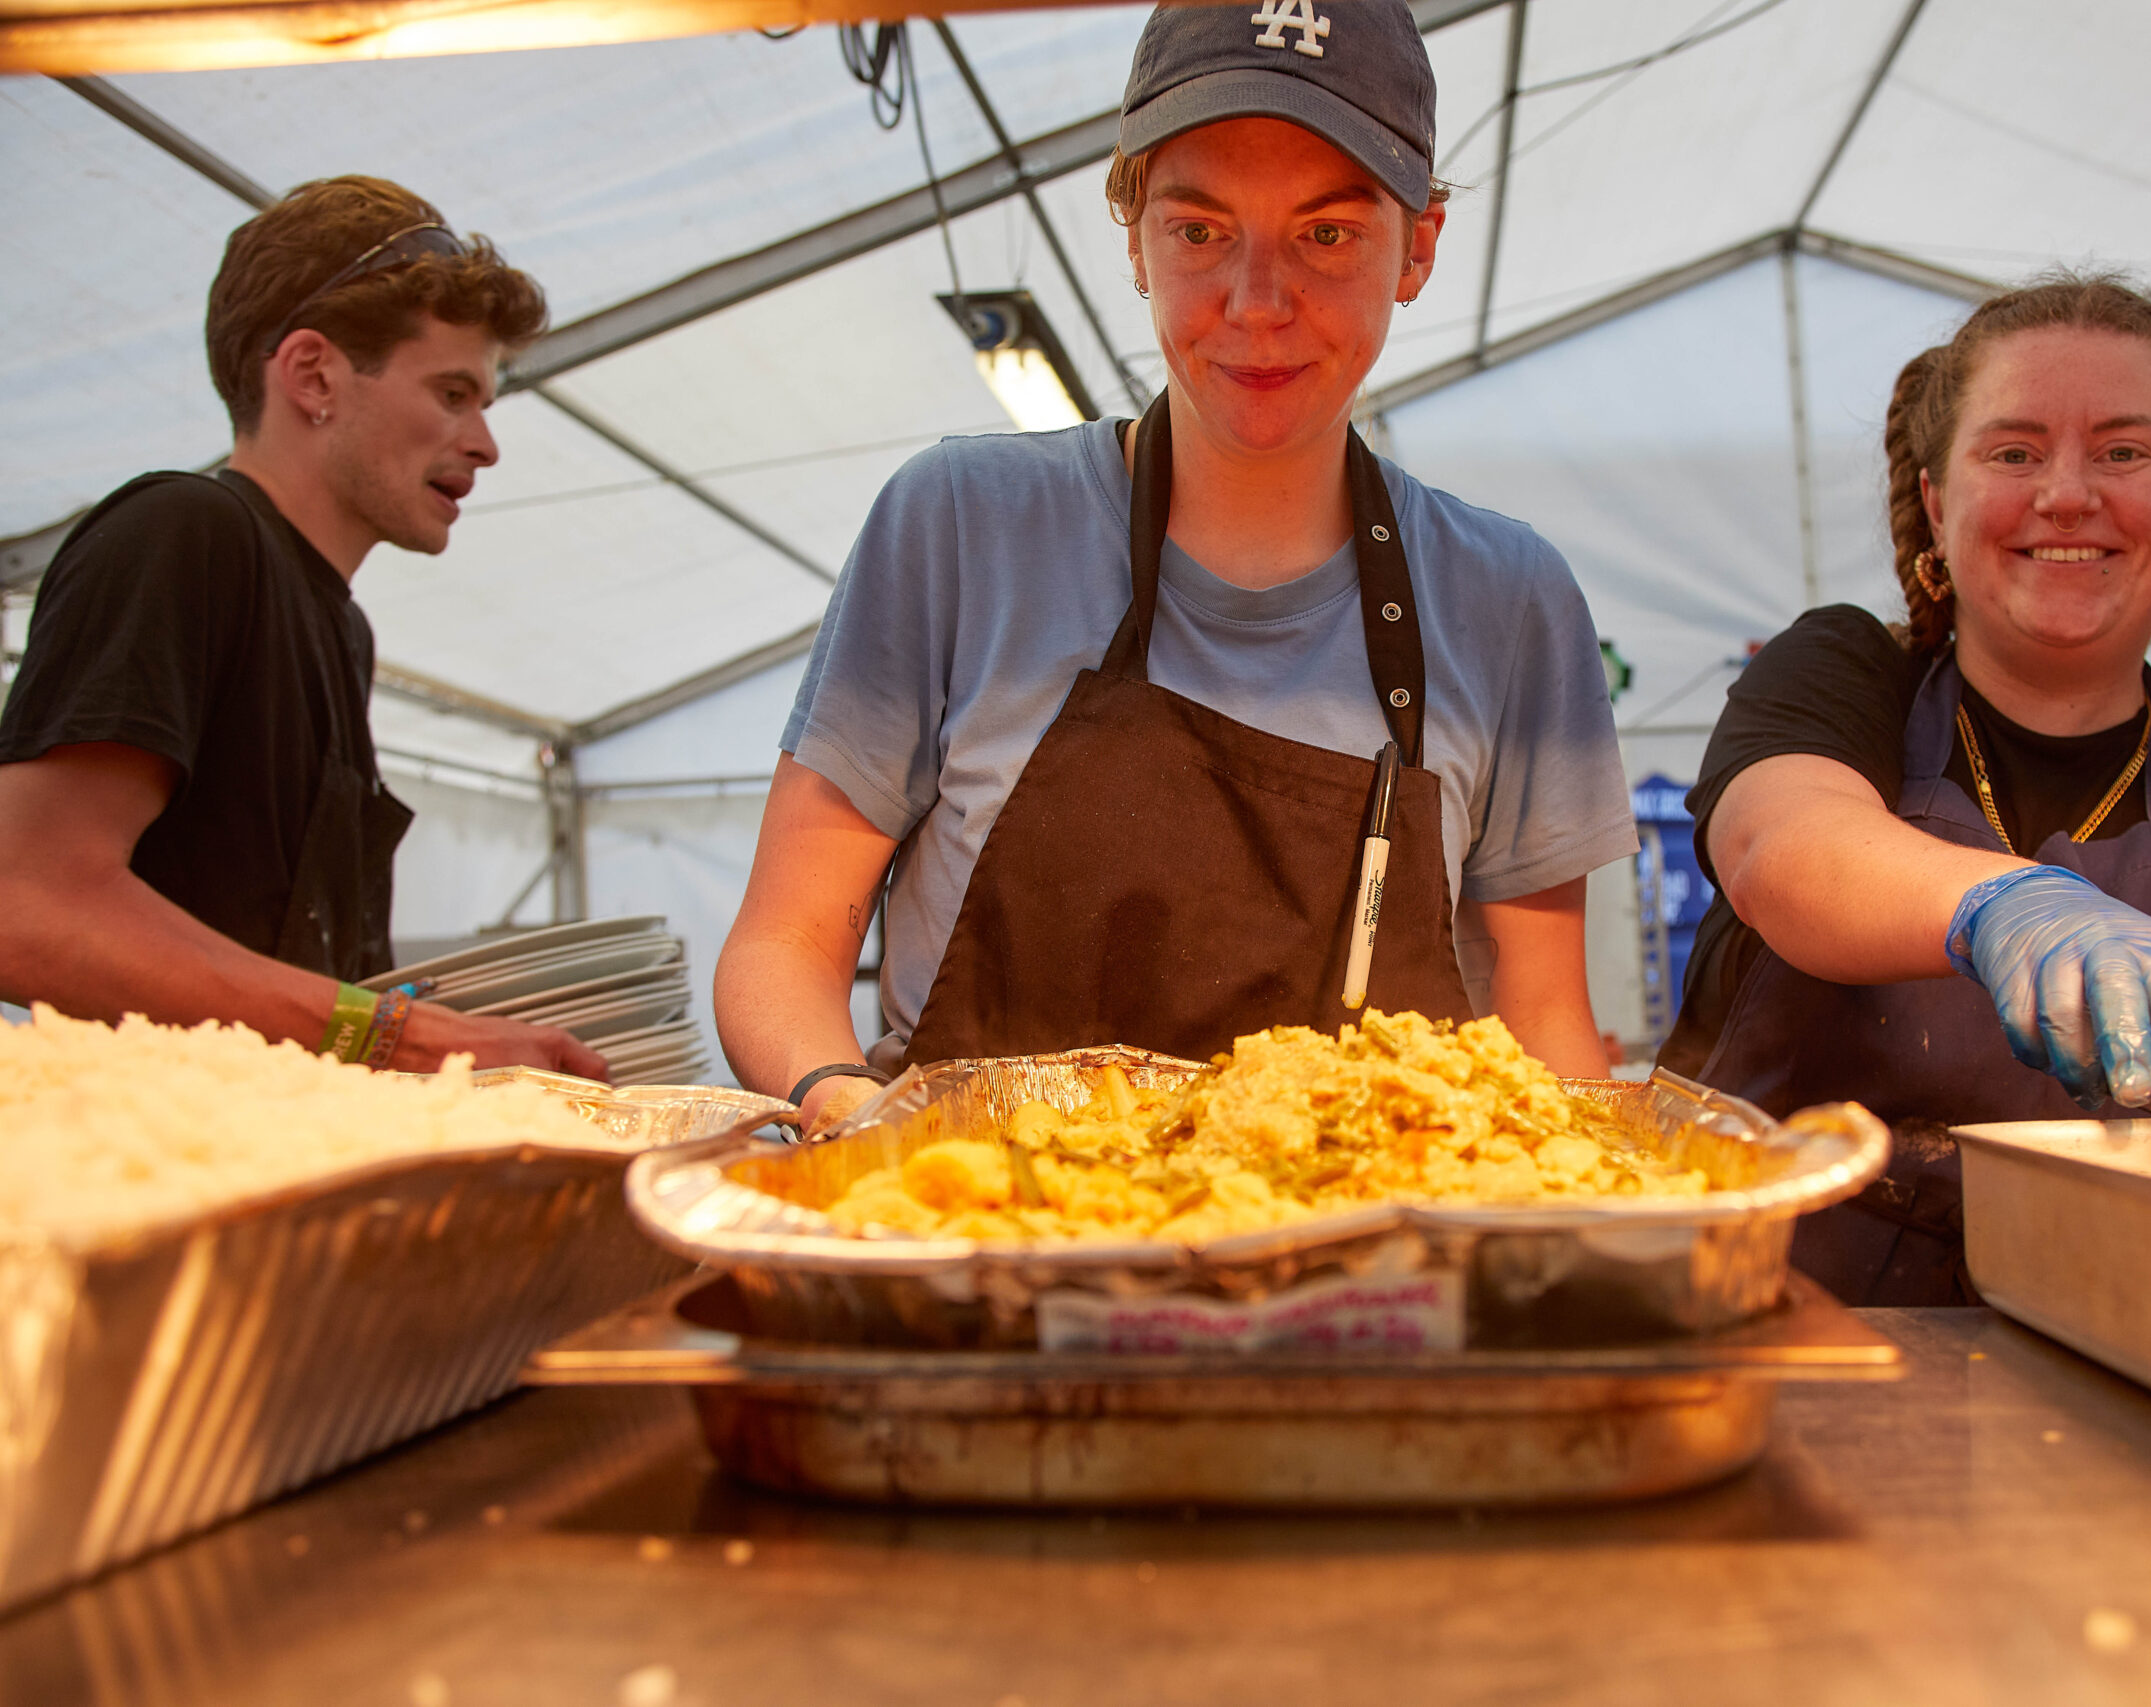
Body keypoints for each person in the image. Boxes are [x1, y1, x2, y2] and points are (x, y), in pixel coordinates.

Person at [720, 1, 1637, 1130]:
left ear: (1420, 248)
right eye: (1198, 230)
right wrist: (844, 1107)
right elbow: (782, 945)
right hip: (981, 1247)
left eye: (1327, 233)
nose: (1256, 304)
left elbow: (1547, 1027)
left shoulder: (1510, 600)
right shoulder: (958, 525)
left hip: (1362, 1276)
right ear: (1132, 232)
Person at [1655, 277, 2151, 1302]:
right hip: (1777, 1339)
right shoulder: (1843, 675)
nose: (2064, 494)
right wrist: (2008, 908)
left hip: (2149, 1358)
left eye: (2122, 453)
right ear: (1934, 500)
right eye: (2011, 452)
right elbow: (1778, 845)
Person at [0, 176, 608, 1080]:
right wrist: (402, 1036)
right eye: (452, 393)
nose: (485, 442)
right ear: (313, 374)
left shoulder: (340, 628)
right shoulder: (183, 533)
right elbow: (28, 903)